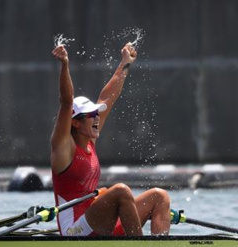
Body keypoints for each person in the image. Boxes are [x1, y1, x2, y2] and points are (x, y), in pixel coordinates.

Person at [50, 43, 171, 236]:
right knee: (121, 191)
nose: (97, 117)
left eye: (96, 114)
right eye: (91, 115)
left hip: (97, 222)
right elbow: (66, 102)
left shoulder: (90, 141)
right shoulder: (64, 147)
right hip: (74, 229)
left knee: (159, 195)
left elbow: (107, 97)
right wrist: (65, 64)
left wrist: (125, 63)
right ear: (75, 123)